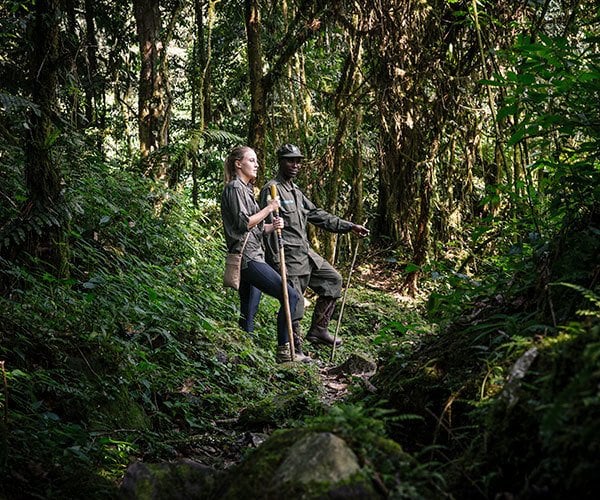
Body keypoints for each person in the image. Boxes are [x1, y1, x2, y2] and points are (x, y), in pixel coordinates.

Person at [258, 143, 369, 354]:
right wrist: (274, 260)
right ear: (280, 162)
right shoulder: (272, 189)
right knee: (295, 302)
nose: (295, 165)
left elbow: (318, 215)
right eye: (290, 160)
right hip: (288, 255)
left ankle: (319, 329)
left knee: (333, 279)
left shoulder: (296, 191)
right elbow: (268, 226)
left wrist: (349, 226)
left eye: (298, 161)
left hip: (305, 252)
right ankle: (294, 350)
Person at [221, 145, 310, 363]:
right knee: (290, 295)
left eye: (257, 160)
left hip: (254, 254)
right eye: (251, 160)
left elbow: (255, 228)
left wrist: (271, 226)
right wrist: (269, 209)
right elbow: (243, 223)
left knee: (248, 313)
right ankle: (283, 350)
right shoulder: (234, 188)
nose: (257, 164)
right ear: (238, 164)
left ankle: (243, 360)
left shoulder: (246, 189)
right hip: (247, 258)